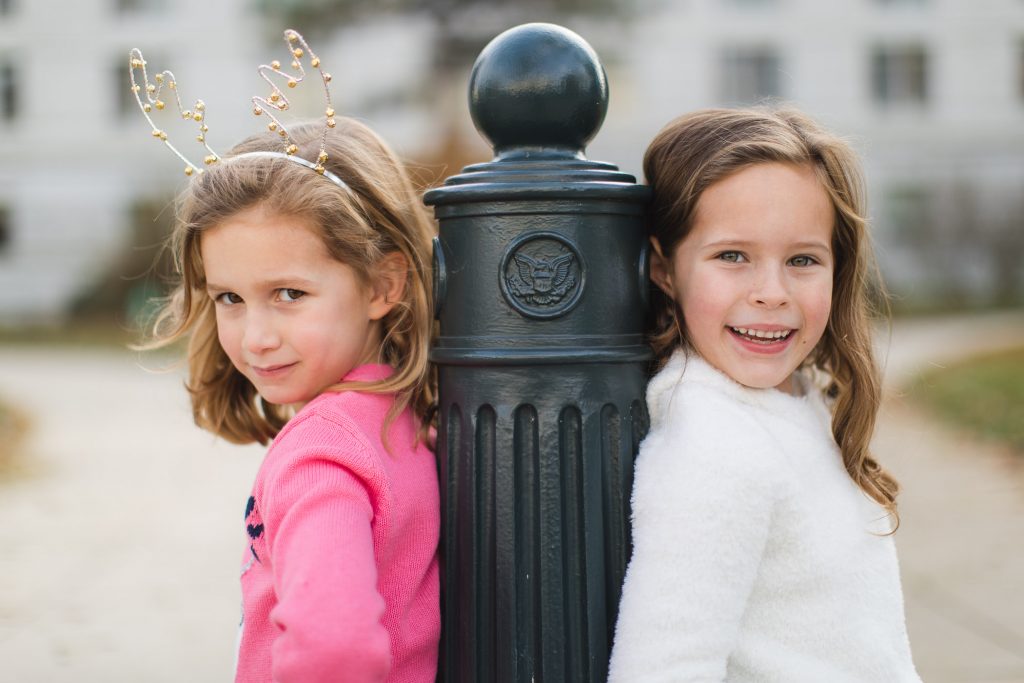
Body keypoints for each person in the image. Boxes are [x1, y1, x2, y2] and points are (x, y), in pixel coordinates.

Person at [608, 108, 921, 682]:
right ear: (663, 268)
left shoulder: (795, 397)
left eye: (803, 260)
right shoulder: (714, 445)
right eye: (733, 256)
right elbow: (663, 667)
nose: (772, 293)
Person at [144, 118, 439, 682]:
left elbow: (336, 653)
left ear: (383, 285)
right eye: (229, 297)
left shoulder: (320, 451)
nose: (256, 336)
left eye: (289, 294)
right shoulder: (407, 419)